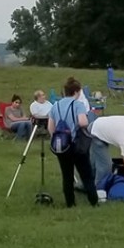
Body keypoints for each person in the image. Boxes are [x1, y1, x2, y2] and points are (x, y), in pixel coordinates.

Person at [47, 78, 98, 207]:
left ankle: (70, 203)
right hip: (76, 144)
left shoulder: (55, 106)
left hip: (62, 145)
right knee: (86, 174)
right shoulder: (78, 105)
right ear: (76, 91)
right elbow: (82, 122)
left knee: (67, 175)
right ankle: (93, 201)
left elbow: (50, 128)